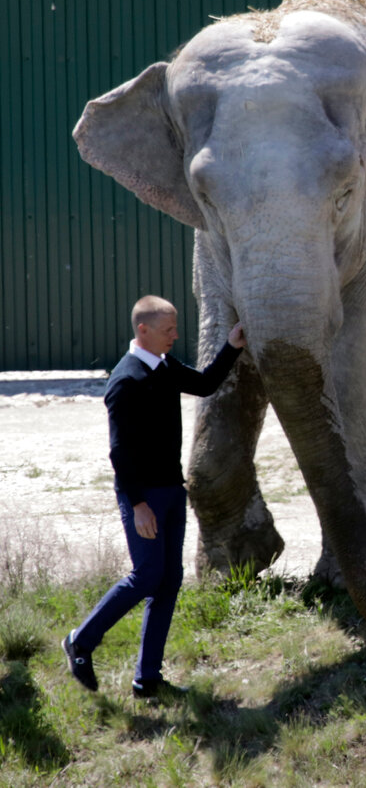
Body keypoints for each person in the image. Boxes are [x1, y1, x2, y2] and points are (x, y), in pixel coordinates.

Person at [63, 295, 246, 699]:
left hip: (171, 489)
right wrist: (138, 504)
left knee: (169, 580)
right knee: (146, 576)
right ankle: (80, 641)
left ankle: (147, 680)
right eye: (168, 330)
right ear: (143, 330)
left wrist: (232, 346)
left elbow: (204, 384)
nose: (175, 336)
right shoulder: (126, 381)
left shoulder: (163, 366)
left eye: (175, 329)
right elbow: (119, 452)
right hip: (143, 496)